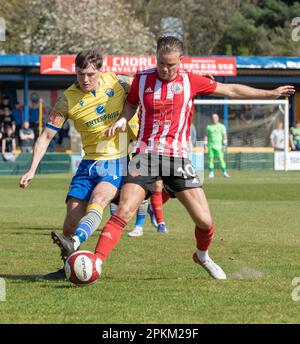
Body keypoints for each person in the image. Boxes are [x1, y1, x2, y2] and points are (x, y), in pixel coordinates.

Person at [89, 36, 294, 281]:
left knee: (205, 222)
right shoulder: (142, 78)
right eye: (161, 63)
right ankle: (95, 263)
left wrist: (269, 94)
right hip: (145, 155)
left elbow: (231, 89)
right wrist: (123, 118)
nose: (165, 69)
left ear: (181, 61)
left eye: (171, 65)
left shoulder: (191, 80)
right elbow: (131, 104)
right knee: (123, 210)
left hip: (178, 159)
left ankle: (202, 255)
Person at [19, 49, 138, 280]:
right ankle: (69, 268)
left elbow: (149, 84)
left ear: (100, 71)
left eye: (91, 74)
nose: (85, 79)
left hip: (116, 159)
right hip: (88, 164)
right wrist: (32, 168)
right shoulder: (67, 99)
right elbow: (45, 137)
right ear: (76, 71)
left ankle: (75, 243)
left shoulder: (116, 81)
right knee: (70, 222)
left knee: (99, 200)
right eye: (81, 73)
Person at [204, 113, 230, 178]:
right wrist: (205, 143)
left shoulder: (222, 126)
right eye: (213, 118)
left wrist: (225, 145)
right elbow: (206, 135)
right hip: (211, 146)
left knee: (221, 159)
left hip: (219, 146)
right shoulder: (208, 127)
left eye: (215, 118)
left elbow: (224, 135)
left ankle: (224, 172)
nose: (214, 119)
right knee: (211, 159)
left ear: (218, 119)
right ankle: (211, 173)